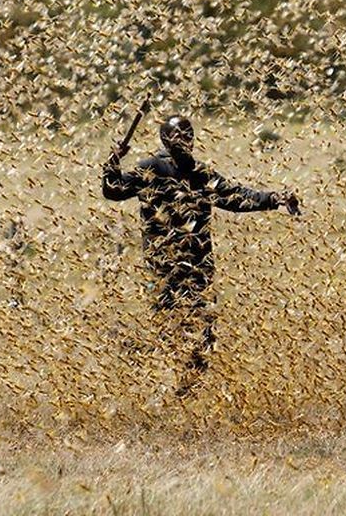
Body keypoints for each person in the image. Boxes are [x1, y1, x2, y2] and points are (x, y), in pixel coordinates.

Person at [102, 115, 300, 375]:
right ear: (165, 140)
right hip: (164, 268)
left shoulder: (200, 173)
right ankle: (161, 378)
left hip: (199, 267)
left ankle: (191, 388)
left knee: (203, 334)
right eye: (178, 135)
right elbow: (113, 190)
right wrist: (113, 162)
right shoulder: (150, 168)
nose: (184, 140)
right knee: (169, 327)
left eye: (188, 134)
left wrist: (275, 198)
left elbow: (236, 197)